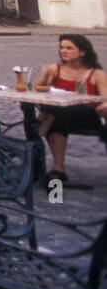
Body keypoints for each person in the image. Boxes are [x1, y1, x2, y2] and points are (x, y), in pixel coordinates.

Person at [33, 34, 107, 187]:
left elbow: (105, 98)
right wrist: (47, 75)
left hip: (88, 115)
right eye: (61, 48)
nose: (63, 51)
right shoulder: (56, 69)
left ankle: (36, 134)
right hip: (61, 116)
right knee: (57, 116)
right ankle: (59, 170)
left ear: (82, 52)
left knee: (52, 112)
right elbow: (37, 90)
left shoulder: (96, 74)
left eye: (69, 48)